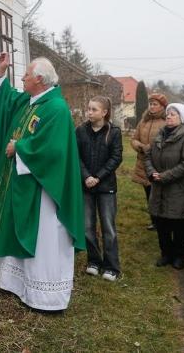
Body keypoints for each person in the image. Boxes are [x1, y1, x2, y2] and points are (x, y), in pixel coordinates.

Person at [0, 52, 85, 311]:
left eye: (25, 75)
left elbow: (54, 150)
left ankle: (45, 296)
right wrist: (1, 73)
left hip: (45, 190)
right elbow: (7, 99)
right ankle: (17, 284)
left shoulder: (55, 108)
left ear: (40, 80)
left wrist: (19, 148)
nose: (21, 78)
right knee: (19, 226)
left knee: (43, 237)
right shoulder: (33, 101)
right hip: (25, 183)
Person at [76, 96, 123, 281]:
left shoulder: (114, 132)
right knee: (87, 227)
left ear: (104, 112)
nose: (89, 112)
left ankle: (111, 266)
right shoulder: (80, 131)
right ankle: (94, 261)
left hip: (106, 187)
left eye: (94, 109)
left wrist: (98, 177)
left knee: (108, 228)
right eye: (88, 108)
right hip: (86, 186)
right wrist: (86, 176)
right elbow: (76, 155)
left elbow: (116, 157)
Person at [145, 103, 184, 270]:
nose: (168, 117)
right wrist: (152, 172)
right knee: (161, 223)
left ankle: (179, 256)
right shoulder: (159, 135)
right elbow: (148, 156)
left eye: (173, 114)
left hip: (178, 188)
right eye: (168, 114)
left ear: (181, 118)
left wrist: (165, 176)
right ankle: (165, 254)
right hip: (159, 186)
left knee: (178, 224)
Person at [130, 93, 168, 231]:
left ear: (162, 107)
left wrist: (152, 150)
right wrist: (140, 146)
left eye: (155, 104)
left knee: (159, 194)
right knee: (148, 194)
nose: (151, 106)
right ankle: (154, 221)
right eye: (150, 104)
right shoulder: (143, 121)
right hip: (143, 163)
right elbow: (133, 139)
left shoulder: (166, 122)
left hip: (158, 165)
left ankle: (162, 221)